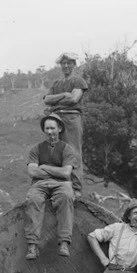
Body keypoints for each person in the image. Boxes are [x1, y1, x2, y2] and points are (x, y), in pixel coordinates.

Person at [24, 113, 77, 260]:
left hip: (62, 184)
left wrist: (44, 166)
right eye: (47, 128)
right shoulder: (36, 149)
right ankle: (32, 244)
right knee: (33, 199)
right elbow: (32, 171)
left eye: (52, 128)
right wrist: (56, 172)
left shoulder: (67, 149)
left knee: (66, 196)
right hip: (39, 184)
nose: (49, 132)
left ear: (59, 128)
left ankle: (64, 242)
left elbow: (66, 173)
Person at [43, 52, 88, 195]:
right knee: (55, 150)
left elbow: (74, 99)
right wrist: (63, 95)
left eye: (69, 63)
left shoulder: (78, 81)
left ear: (74, 64)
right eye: (63, 63)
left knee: (73, 150)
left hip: (71, 118)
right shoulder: (57, 84)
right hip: (56, 118)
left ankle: (76, 188)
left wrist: (55, 100)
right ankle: (58, 185)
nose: (66, 66)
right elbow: (46, 100)